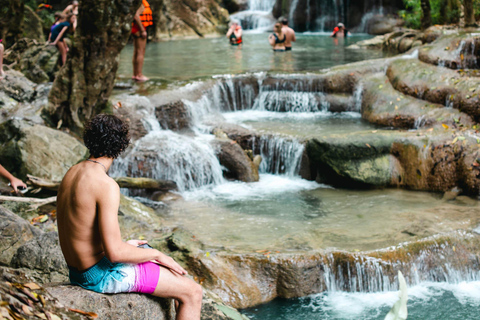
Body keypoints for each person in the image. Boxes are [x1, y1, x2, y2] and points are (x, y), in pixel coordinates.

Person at [56, 114, 202, 319]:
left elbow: (81, 229)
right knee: (193, 292)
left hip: (79, 271)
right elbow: (115, 253)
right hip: (99, 276)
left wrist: (130, 248)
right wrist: (158, 255)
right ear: (120, 146)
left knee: (166, 269)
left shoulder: (72, 172)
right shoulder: (105, 185)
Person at [132, 0, 153, 82]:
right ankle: (139, 75)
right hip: (139, 28)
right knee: (141, 51)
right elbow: (136, 15)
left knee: (137, 51)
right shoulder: (141, 3)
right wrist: (142, 30)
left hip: (136, 28)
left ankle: (135, 74)